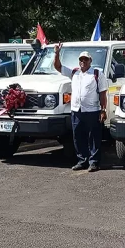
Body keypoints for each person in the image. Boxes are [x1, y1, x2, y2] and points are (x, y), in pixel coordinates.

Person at [54, 44, 108, 172]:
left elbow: (102, 93)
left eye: (86, 59)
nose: (83, 61)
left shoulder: (97, 74)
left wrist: (103, 110)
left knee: (93, 137)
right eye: (81, 59)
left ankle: (94, 162)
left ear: (90, 61)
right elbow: (58, 67)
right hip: (76, 110)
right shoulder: (74, 73)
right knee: (78, 136)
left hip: (92, 111)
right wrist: (56, 53)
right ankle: (82, 160)